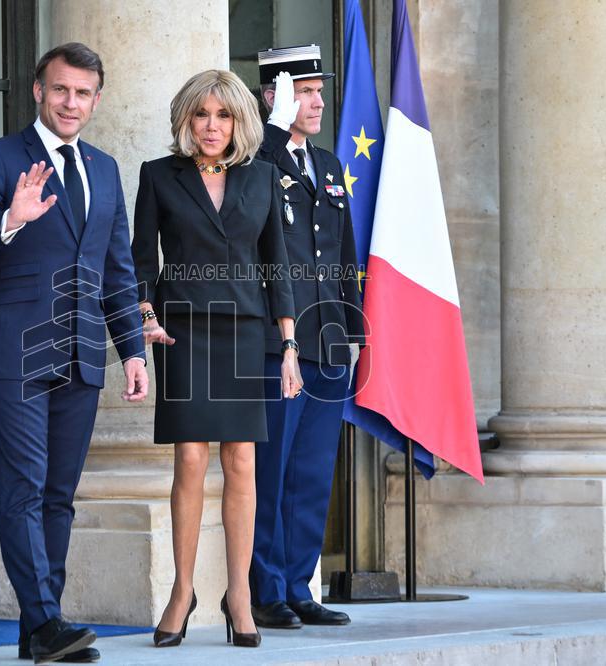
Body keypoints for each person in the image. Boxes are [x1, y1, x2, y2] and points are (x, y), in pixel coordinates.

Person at [0, 42, 147, 665]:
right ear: (38, 90)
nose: (71, 102)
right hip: (15, 352)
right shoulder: (0, 156)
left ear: (95, 99)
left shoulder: (106, 168)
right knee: (23, 487)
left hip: (83, 352)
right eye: (60, 89)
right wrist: (10, 218)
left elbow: (117, 270)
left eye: (83, 93)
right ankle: (46, 619)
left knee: (60, 493)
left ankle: (42, 629)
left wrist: (133, 350)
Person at [132, 69, 302, 650]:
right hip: (181, 333)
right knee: (189, 461)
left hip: (244, 332)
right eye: (202, 114)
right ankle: (182, 592)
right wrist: (146, 315)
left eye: (223, 115)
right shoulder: (158, 176)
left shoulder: (262, 178)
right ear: (186, 119)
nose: (212, 126)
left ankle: (239, 595)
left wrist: (289, 347)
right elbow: (140, 259)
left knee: (243, 464)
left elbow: (277, 265)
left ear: (240, 121)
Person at [249, 45, 365, 629]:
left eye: (320, 91)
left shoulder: (328, 165)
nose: (318, 102)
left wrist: (355, 331)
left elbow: (342, 258)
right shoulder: (257, 158)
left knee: (313, 471)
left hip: (327, 340)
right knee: (271, 470)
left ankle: (298, 583)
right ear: (274, 97)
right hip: (280, 343)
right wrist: (271, 130)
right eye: (305, 91)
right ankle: (262, 589)